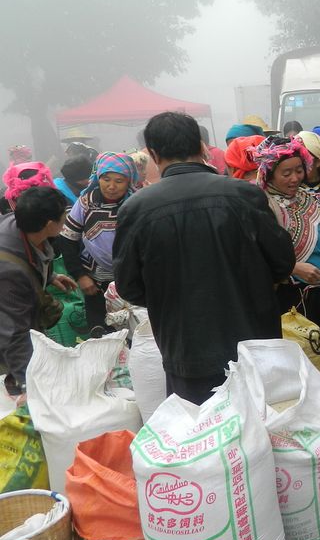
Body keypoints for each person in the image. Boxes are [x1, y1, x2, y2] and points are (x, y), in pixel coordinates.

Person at [113, 112, 295, 403]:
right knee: (260, 433)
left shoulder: (136, 209)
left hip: (186, 349)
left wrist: (171, 296)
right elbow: (283, 262)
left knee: (202, 437)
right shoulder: (243, 196)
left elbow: (129, 287)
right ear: (201, 147)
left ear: (154, 154)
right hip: (254, 343)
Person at [252, 135, 320, 367]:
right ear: (269, 173)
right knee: (300, 358)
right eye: (286, 173)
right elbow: (256, 254)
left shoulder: (307, 199)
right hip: (289, 296)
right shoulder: (262, 205)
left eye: (299, 170)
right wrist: (293, 268)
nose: (295, 178)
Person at [0, 187, 76, 398]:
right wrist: (28, 385)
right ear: (50, 225)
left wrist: (48, 276)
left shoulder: (24, 227)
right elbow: (14, 332)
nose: (66, 221)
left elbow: (35, 255)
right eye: (64, 217)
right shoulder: (9, 271)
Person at [53, 153, 139, 335]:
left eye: (119, 181)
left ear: (129, 181)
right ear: (97, 177)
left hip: (133, 282)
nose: (111, 186)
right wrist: (80, 276)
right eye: (106, 179)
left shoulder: (136, 204)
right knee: (101, 335)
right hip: (95, 283)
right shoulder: (86, 203)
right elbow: (68, 239)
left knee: (134, 334)